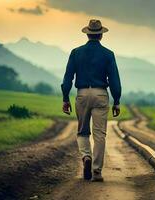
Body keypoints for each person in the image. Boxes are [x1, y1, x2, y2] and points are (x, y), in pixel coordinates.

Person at [61, 19, 121, 182]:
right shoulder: (108, 54)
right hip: (101, 94)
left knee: (82, 131)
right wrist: (116, 100)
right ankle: (97, 171)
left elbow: (68, 77)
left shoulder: (76, 52)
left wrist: (65, 97)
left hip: (82, 94)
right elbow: (114, 79)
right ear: (101, 35)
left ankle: (86, 156)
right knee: (100, 134)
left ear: (88, 34)